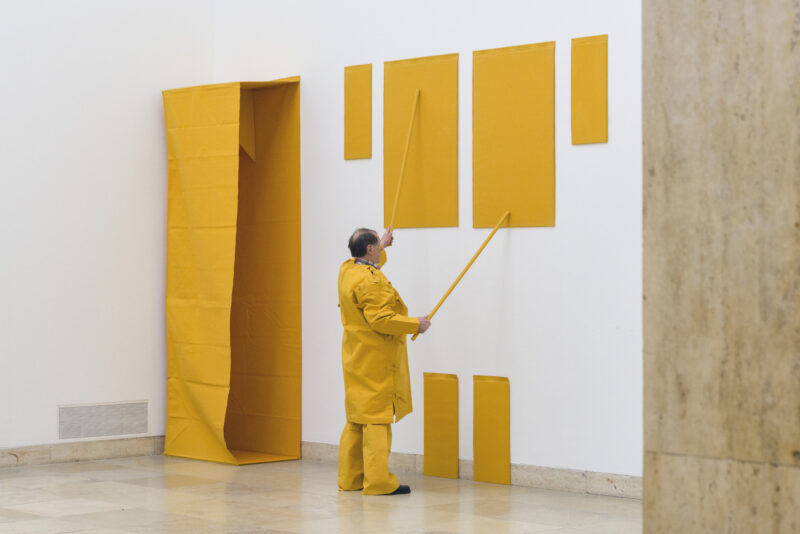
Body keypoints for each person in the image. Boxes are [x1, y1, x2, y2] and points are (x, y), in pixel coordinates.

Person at [337, 227, 431, 495]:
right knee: (377, 420)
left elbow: (370, 270)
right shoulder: (371, 282)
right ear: (369, 249)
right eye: (377, 244)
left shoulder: (347, 270)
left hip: (356, 356)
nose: (381, 246)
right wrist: (416, 325)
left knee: (357, 419)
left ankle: (350, 479)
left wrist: (384, 246)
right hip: (376, 359)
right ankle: (378, 483)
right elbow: (382, 319)